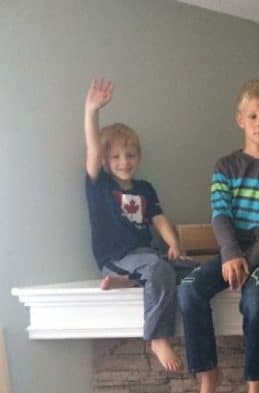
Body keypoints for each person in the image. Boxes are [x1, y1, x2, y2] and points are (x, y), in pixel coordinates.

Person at [178, 79, 259, 393]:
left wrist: (250, 262)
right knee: (189, 289)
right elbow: (220, 213)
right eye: (253, 116)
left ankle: (255, 387)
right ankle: (207, 374)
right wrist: (231, 254)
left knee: (256, 301)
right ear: (240, 120)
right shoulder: (225, 166)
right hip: (233, 251)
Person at [84, 78, 184, 372]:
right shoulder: (99, 185)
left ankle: (126, 282)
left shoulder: (145, 188)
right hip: (116, 257)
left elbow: (159, 218)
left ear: (138, 157)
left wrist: (174, 243)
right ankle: (157, 337)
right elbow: (91, 148)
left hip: (146, 256)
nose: (123, 162)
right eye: (115, 156)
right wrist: (91, 110)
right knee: (157, 269)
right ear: (104, 161)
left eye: (129, 155)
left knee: (194, 270)